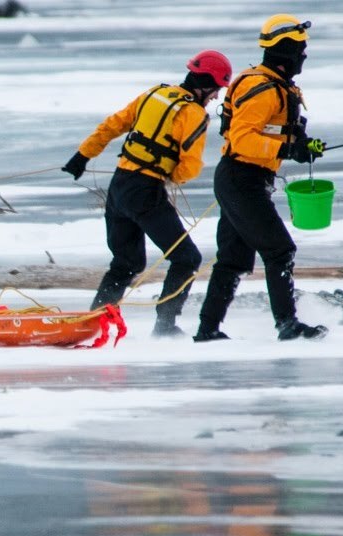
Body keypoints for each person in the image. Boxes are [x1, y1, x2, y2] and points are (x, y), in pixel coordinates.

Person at [62, 50, 233, 337]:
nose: (216, 97)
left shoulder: (155, 93)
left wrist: (82, 156)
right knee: (187, 258)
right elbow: (188, 169)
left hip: (118, 187)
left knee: (126, 264)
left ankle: (93, 322)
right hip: (145, 191)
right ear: (205, 84)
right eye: (216, 89)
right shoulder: (194, 115)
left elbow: (112, 125)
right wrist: (169, 174)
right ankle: (165, 325)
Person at [193, 15, 328, 342]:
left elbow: (272, 135)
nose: (304, 56)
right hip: (241, 179)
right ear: (286, 50)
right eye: (301, 49)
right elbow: (243, 139)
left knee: (234, 259)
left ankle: (207, 329)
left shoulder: (275, 85)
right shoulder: (263, 89)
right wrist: (289, 147)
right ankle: (287, 324)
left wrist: (301, 146)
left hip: (242, 178)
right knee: (280, 250)